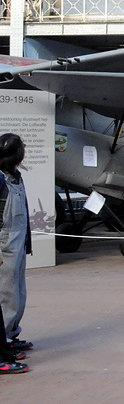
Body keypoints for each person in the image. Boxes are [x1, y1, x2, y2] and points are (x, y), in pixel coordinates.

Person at [0, 134, 32, 356]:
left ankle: (11, 334)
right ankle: (2, 340)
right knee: (6, 293)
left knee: (19, 292)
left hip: (18, 241)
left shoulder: (16, 177)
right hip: (6, 243)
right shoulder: (1, 179)